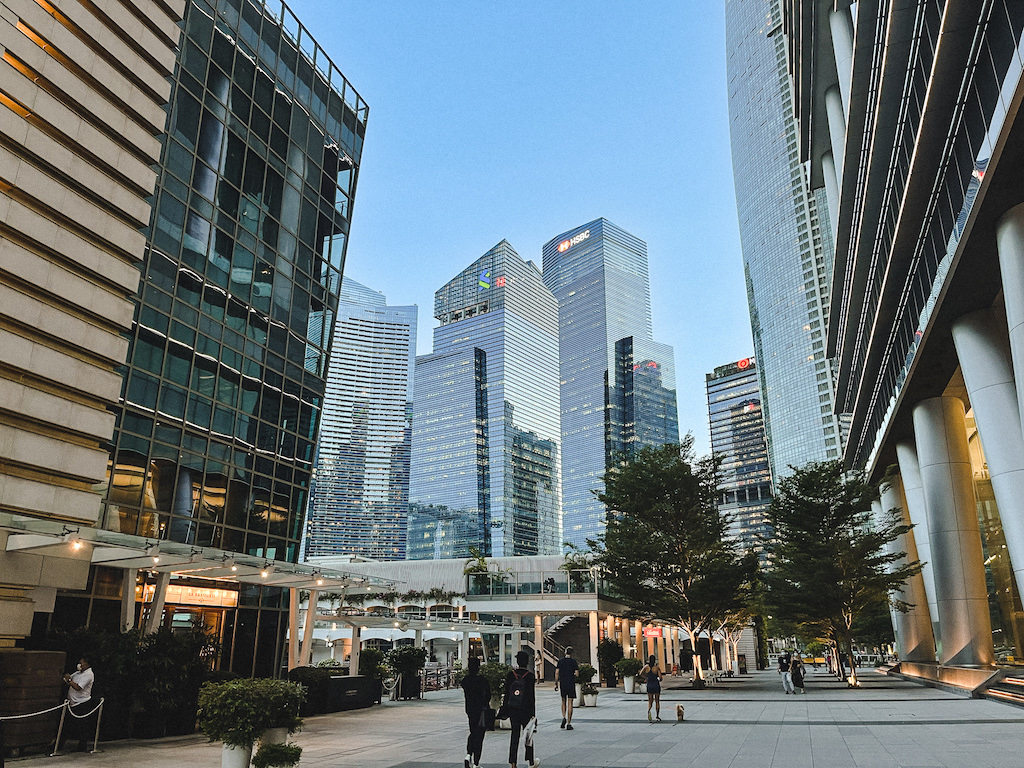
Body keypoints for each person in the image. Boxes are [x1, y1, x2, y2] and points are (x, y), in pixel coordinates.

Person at [503, 650, 539, 768]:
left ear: (517, 661)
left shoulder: (510, 675)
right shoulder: (530, 676)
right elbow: (531, 697)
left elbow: (507, 694)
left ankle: (513, 763)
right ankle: (531, 762)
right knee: (528, 736)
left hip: (513, 709)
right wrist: (533, 714)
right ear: (527, 662)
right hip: (526, 710)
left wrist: (505, 709)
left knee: (514, 735)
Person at [60, 656, 95, 752]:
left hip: (82, 703)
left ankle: (82, 745)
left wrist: (70, 681)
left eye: (81, 663)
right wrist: (67, 678)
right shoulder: (78, 673)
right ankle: (59, 744)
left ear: (86, 664)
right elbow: (69, 679)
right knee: (66, 724)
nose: (79, 665)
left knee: (82, 726)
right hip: (72, 703)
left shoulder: (89, 674)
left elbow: (78, 687)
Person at [461, 656, 490, 768]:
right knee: (479, 735)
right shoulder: (482, 680)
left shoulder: (466, 680)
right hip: (481, 709)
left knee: (472, 731)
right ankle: (476, 762)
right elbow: (488, 695)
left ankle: (468, 754)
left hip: (469, 709)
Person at [554, 646, 579, 730]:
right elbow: (577, 673)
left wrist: (556, 683)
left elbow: (557, 672)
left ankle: (564, 716)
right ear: (571, 653)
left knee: (563, 700)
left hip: (563, 683)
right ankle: (569, 723)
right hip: (571, 683)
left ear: (565, 652)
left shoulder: (560, 661)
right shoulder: (573, 662)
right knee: (570, 702)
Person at [639, 655, 663, 722]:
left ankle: (649, 711)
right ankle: (657, 716)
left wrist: (646, 678)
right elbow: (660, 678)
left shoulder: (646, 667)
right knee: (657, 701)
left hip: (649, 684)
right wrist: (659, 679)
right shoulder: (657, 668)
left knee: (650, 701)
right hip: (656, 684)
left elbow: (640, 673)